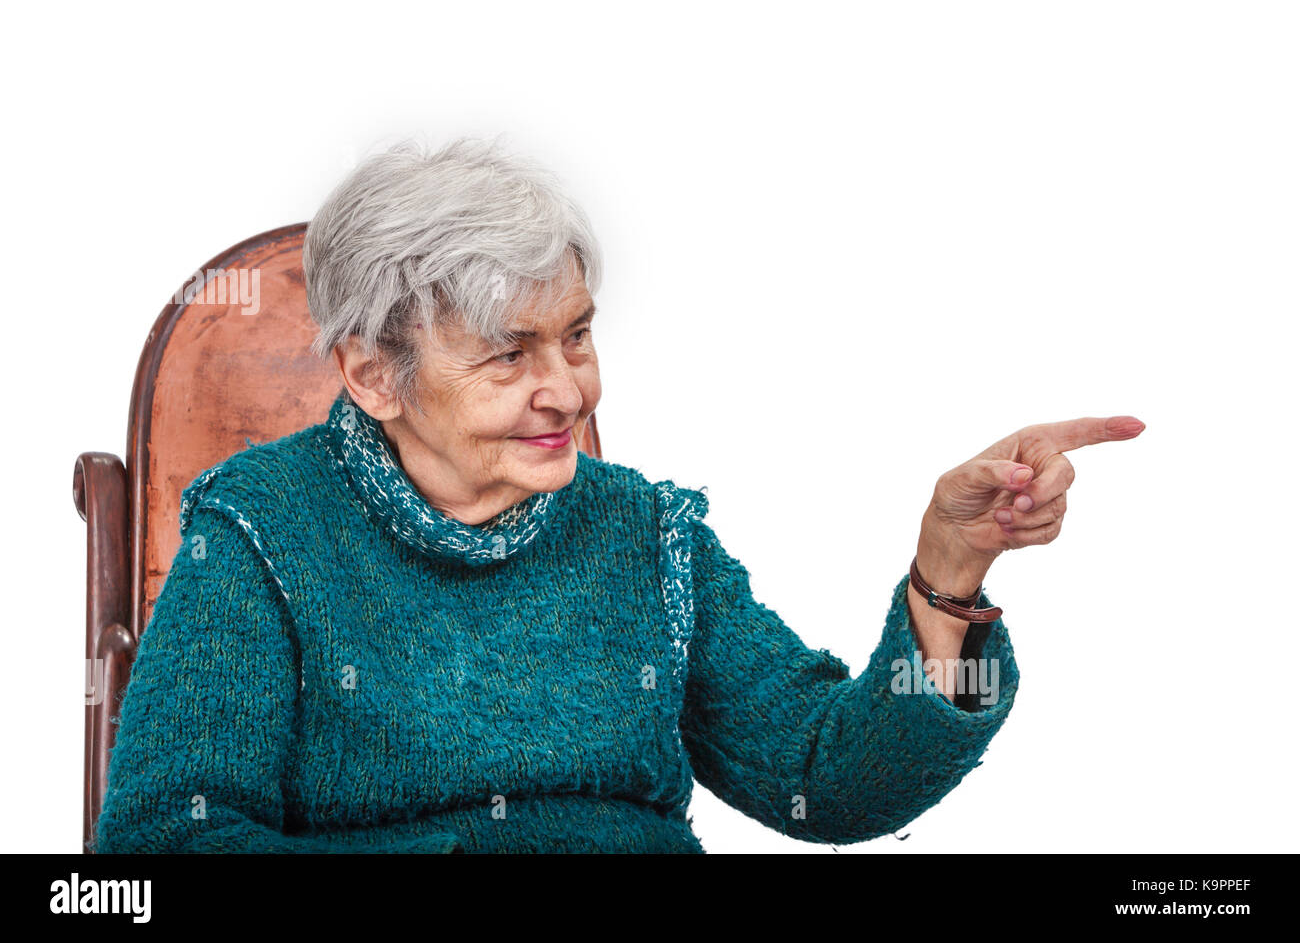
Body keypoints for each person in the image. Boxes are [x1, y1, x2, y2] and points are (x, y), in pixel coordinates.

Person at [93, 135, 1145, 853]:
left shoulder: (645, 532)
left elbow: (823, 778)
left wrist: (950, 575)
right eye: (510, 355)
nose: (569, 389)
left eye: (578, 334)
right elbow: (166, 836)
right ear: (373, 374)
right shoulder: (262, 526)